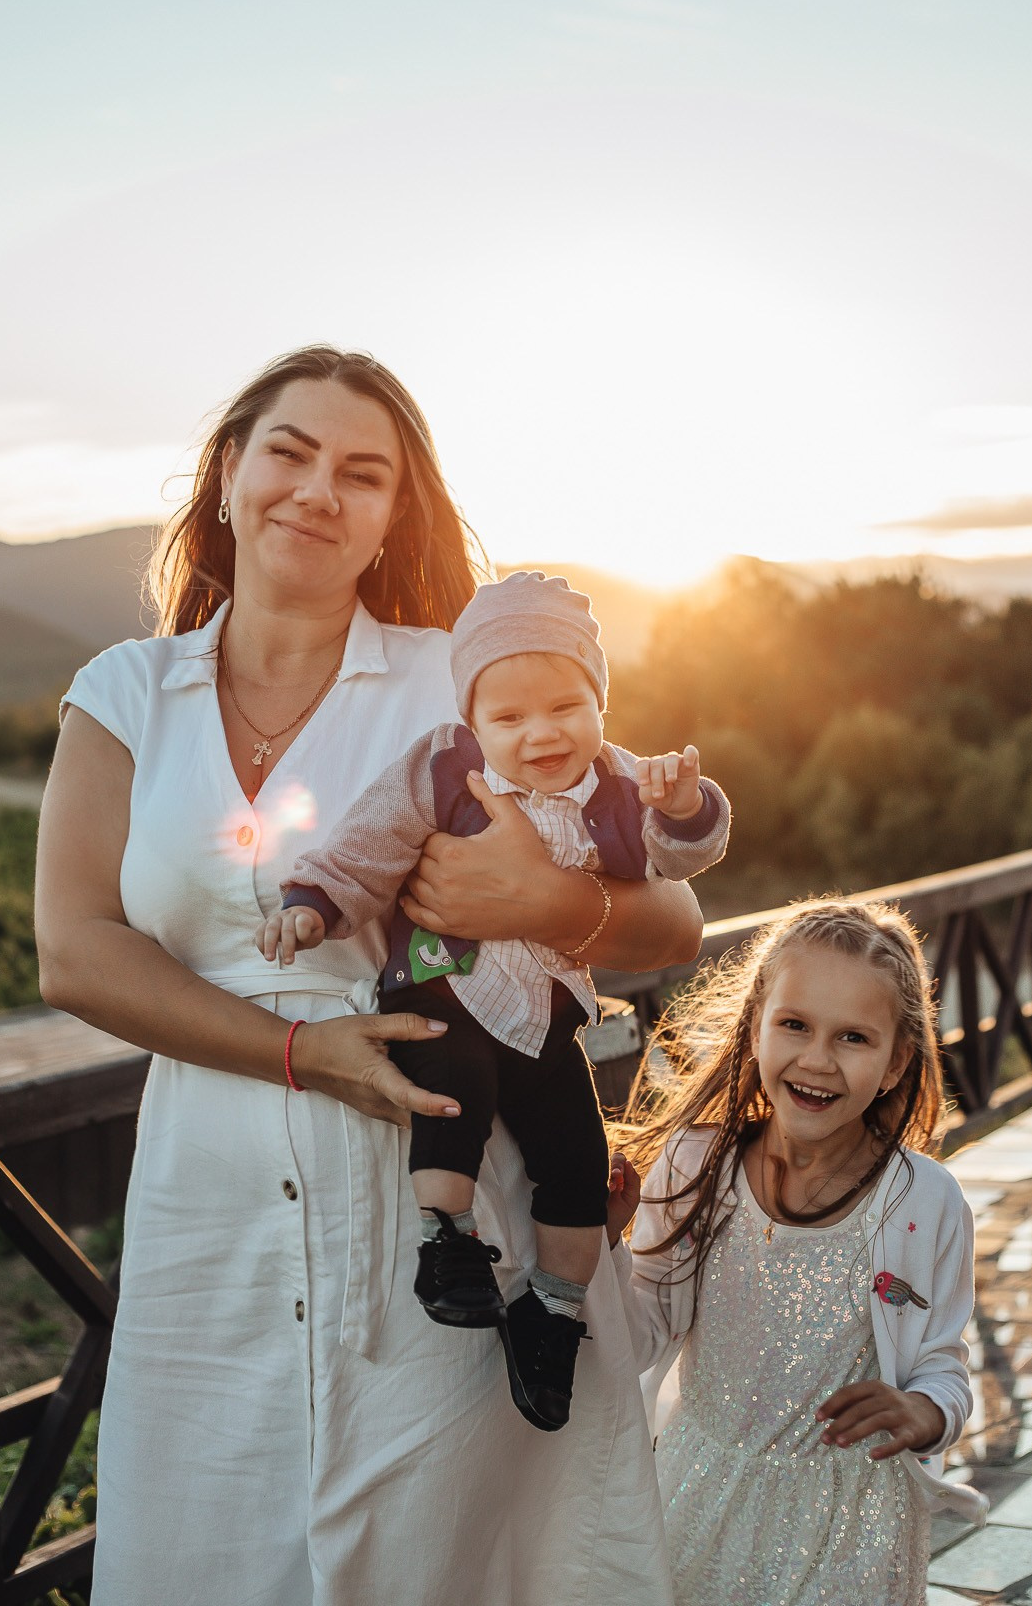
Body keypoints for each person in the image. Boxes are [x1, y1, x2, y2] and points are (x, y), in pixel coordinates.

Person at [35, 345, 703, 1606]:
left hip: (442, 1176)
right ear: (229, 472)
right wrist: (300, 1052)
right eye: (288, 453)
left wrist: (540, 900)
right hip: (211, 1193)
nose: (316, 491)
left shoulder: (449, 677)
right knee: (210, 1539)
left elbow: (669, 917)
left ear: (396, 513)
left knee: (443, 1554)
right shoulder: (126, 695)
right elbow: (76, 951)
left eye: (362, 472)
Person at [256, 570, 731, 1432]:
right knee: (452, 1088)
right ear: (475, 719)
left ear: (600, 704)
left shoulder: (618, 786)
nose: (541, 734)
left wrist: (684, 804)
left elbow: (675, 862)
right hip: (443, 985)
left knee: (578, 1154)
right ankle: (448, 1243)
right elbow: (370, 840)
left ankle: (552, 1309)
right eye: (509, 718)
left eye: (565, 708)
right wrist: (312, 903)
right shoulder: (443, 763)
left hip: (546, 1011)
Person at [606, 899, 987, 1606]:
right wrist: (604, 1253)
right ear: (756, 1027)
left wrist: (927, 1412)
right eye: (794, 1025)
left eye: (853, 1038)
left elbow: (943, 1361)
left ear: (899, 1060)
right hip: (697, 1496)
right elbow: (636, 1333)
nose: (817, 1060)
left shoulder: (925, 1201)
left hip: (854, 1525)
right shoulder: (697, 1164)